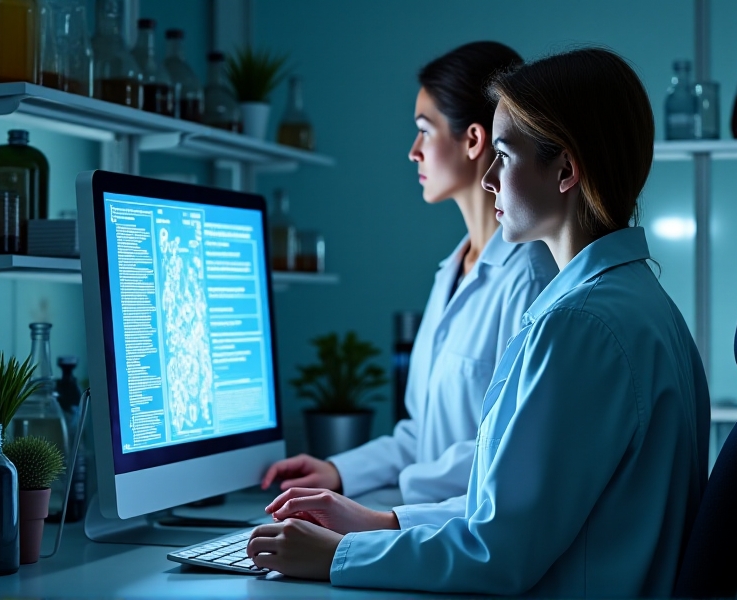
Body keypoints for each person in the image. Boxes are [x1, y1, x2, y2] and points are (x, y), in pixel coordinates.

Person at [247, 47, 711, 597]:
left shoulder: (582, 325)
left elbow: (498, 553)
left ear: (565, 169)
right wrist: (382, 523)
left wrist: (340, 555)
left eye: (506, 155)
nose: (488, 177)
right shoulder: (633, 302)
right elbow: (512, 509)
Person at [260, 42, 558, 505]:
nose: (413, 152)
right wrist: (337, 472)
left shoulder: (530, 277)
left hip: (465, 526)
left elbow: (509, 447)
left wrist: (390, 497)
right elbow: (420, 435)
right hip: (428, 517)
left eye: (425, 131)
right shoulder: (452, 272)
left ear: (475, 140)